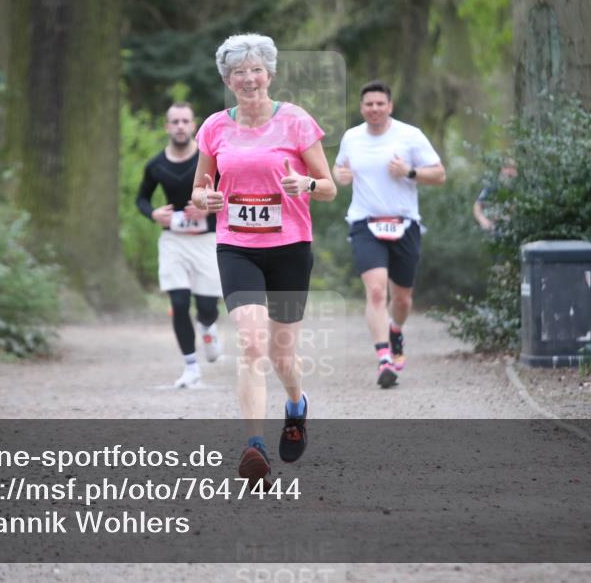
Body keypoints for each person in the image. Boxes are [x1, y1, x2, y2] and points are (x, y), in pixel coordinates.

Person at [191, 34, 336, 484]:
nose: (248, 79)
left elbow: (328, 185)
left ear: (270, 75)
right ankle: (253, 447)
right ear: (228, 81)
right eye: (239, 72)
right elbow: (198, 188)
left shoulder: (295, 122)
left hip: (290, 248)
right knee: (251, 344)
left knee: (281, 354)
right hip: (237, 246)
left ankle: (296, 405)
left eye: (256, 70)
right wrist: (206, 199)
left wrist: (307, 186)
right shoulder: (215, 127)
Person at [333, 81, 445, 389]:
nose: (374, 109)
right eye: (369, 104)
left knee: (403, 298)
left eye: (380, 104)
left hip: (404, 223)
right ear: (362, 108)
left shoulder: (410, 136)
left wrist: (410, 172)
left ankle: (396, 330)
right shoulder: (352, 138)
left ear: (390, 107)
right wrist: (338, 176)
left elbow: (439, 174)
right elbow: (338, 170)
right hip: (364, 223)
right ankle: (384, 358)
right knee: (377, 291)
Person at [136, 102, 223, 388]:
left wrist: (208, 209)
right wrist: (153, 214)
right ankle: (190, 366)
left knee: (207, 307)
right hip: (173, 240)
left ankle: (208, 326)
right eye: (175, 122)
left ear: (194, 125)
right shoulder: (156, 165)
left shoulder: (209, 160)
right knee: (179, 302)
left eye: (185, 121)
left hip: (206, 241)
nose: (181, 127)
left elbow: (227, 194)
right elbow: (142, 199)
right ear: (167, 126)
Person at [473, 160, 518, 235]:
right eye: (507, 167)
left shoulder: (520, 188)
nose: (510, 171)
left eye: (513, 167)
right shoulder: (492, 187)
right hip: (494, 229)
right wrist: (483, 220)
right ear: (501, 169)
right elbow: (477, 205)